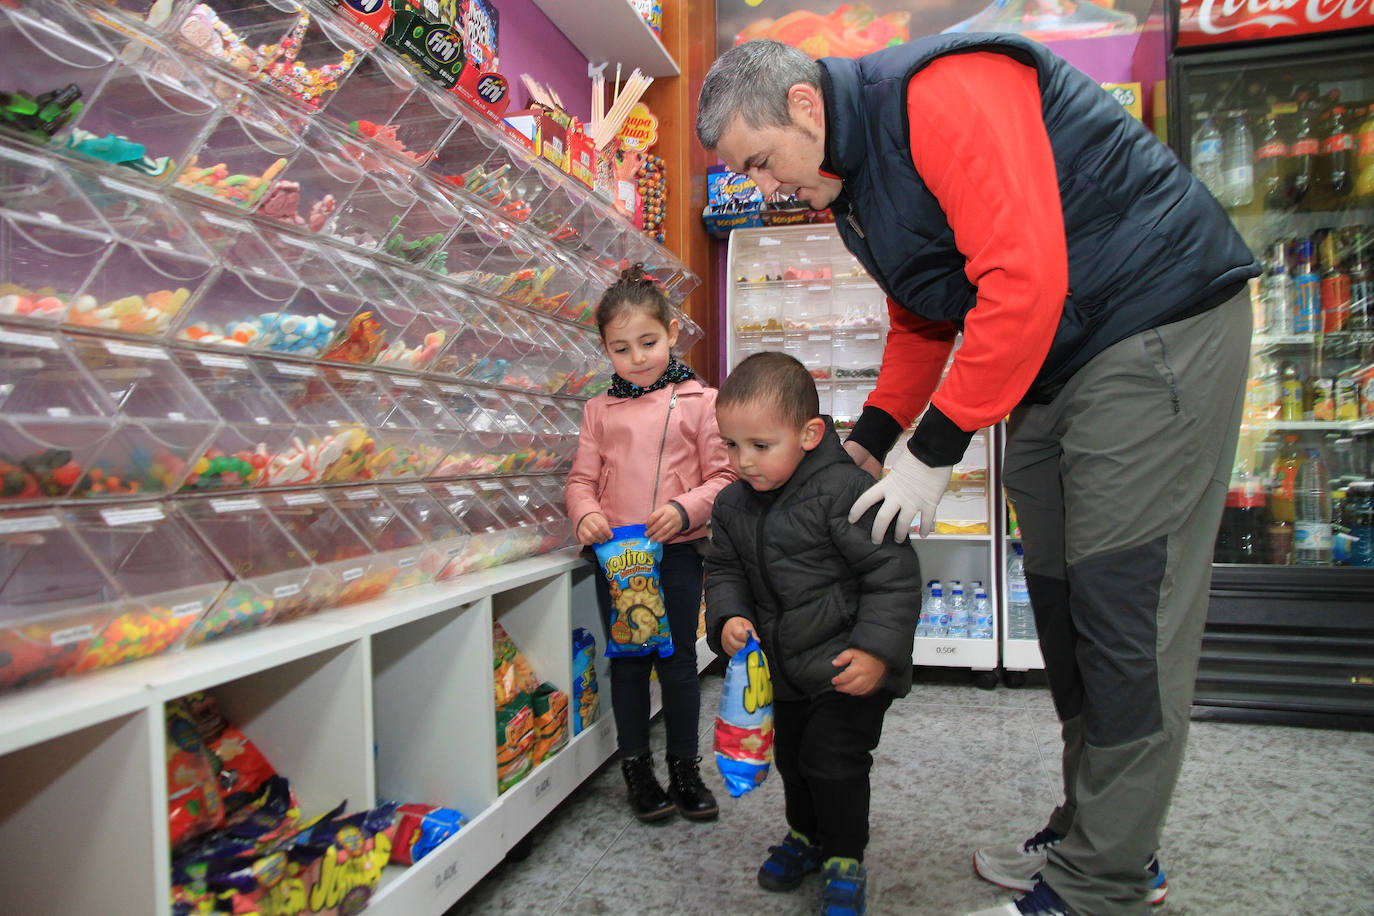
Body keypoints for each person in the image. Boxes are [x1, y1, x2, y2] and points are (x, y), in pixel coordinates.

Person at [697, 36, 1257, 916]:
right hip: (1055, 360)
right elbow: (923, 318)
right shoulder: (851, 190)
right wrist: (872, 441)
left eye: (761, 163)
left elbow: (1023, 284)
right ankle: (1099, 834)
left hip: (1154, 323)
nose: (763, 190)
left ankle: (1101, 883)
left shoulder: (941, 91)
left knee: (1124, 612)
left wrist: (932, 452)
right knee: (1063, 605)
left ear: (806, 106)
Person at [704, 351, 923, 916]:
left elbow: (893, 575)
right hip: (782, 668)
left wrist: (877, 652)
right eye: (731, 445)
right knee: (795, 760)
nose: (742, 461)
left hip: (847, 665)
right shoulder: (730, 505)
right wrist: (726, 617)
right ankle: (806, 836)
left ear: (808, 433)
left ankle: (845, 856)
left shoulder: (847, 492)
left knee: (834, 761)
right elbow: (724, 569)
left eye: (759, 445)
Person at [564, 264, 735, 824]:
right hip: (618, 559)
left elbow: (724, 477)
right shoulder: (597, 410)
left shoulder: (701, 401)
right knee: (631, 662)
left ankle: (685, 767)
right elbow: (581, 482)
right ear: (605, 351)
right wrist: (587, 515)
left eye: (648, 342)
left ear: (671, 333)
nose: (637, 358)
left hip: (680, 553)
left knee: (680, 661)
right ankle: (636, 767)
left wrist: (686, 508)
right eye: (621, 348)